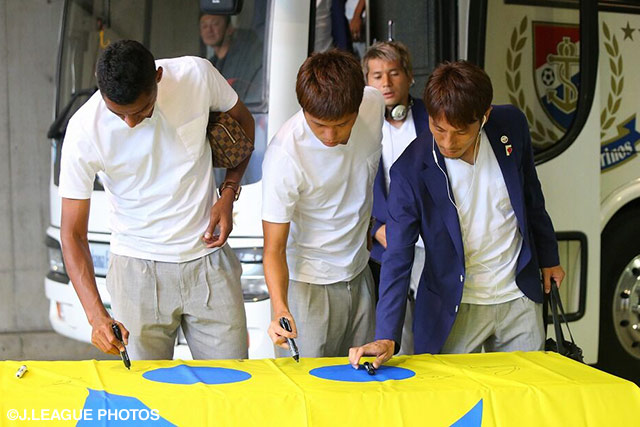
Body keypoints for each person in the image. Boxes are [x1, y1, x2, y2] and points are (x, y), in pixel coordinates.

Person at [349, 60, 565, 368]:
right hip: (454, 304)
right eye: (439, 129)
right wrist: (386, 335)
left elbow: (531, 195)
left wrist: (549, 257)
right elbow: (398, 255)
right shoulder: (410, 170)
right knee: (452, 398)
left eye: (461, 132)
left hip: (518, 296)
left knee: (524, 394)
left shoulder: (511, 125)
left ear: (484, 116)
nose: (448, 143)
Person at [59, 40, 255, 360]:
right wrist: (96, 316)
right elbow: (72, 234)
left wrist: (229, 192)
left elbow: (244, 123)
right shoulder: (84, 130)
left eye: (141, 111)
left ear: (158, 77)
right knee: (143, 389)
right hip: (135, 273)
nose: (130, 122)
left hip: (208, 262)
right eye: (118, 114)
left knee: (233, 382)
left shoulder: (196, 75)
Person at [261, 49, 384, 357]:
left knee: (363, 378)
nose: (329, 136)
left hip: (360, 274)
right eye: (318, 124)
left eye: (342, 124)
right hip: (307, 287)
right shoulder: (284, 156)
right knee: (304, 383)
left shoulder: (373, 104)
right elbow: (273, 248)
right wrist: (280, 308)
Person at [363, 41, 428, 355]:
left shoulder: (433, 118)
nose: (386, 83)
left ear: (410, 76)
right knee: (394, 337)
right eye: (377, 76)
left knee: (433, 333)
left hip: (431, 244)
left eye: (394, 73)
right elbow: (348, 189)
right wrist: (375, 227)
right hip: (385, 245)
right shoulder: (358, 125)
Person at [200, 14, 263, 104]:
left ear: (229, 29)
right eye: (204, 26)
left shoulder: (247, 57)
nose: (209, 30)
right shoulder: (208, 65)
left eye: (215, 24)